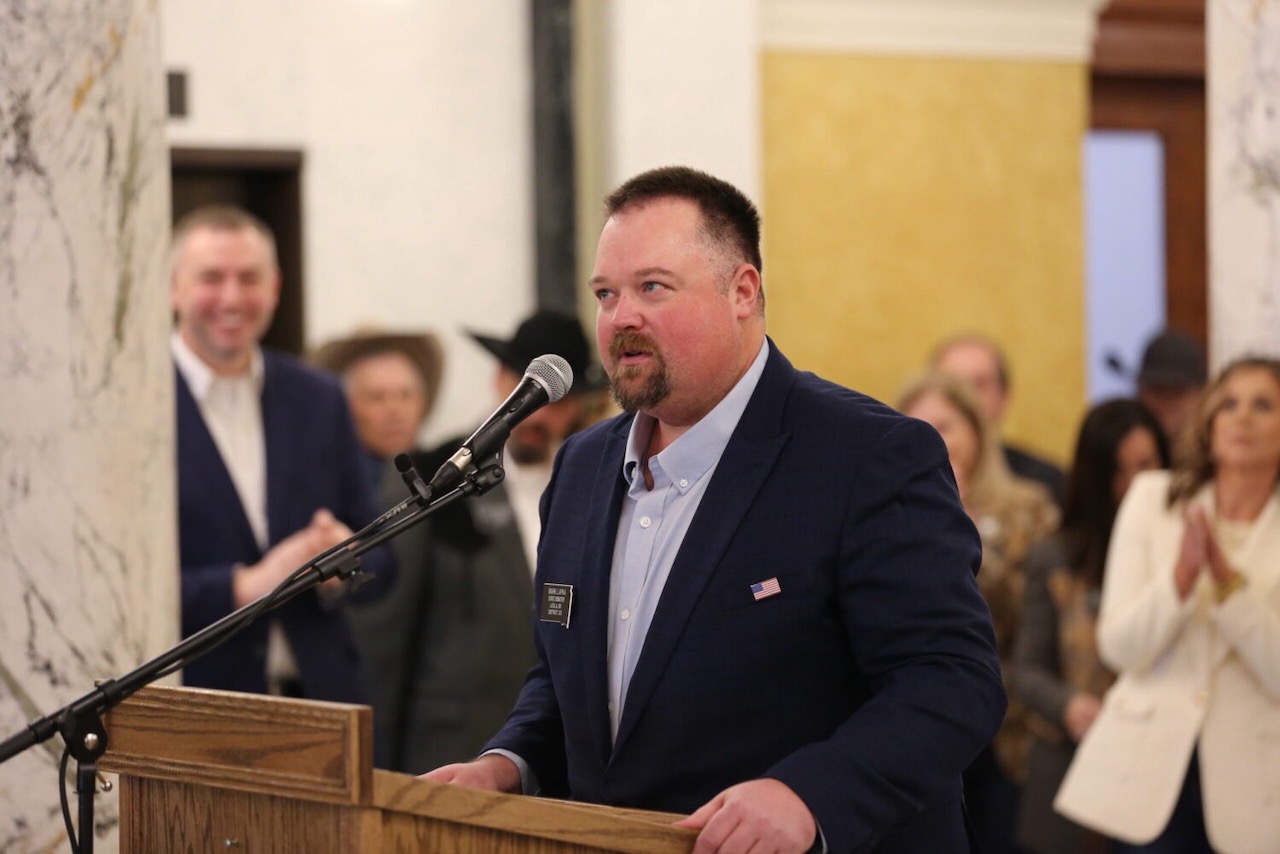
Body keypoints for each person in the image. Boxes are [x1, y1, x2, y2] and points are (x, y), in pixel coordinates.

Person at [422, 166, 1006, 852]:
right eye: (606, 294)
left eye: (653, 288)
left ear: (743, 291)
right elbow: (567, 681)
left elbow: (951, 681)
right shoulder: (580, 470)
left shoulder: (868, 456)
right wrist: (508, 766)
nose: (622, 317)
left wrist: (808, 794)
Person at [1055, 357, 1280, 853]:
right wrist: (1179, 583)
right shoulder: (1152, 500)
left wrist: (1227, 587)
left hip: (1259, 788)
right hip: (1150, 775)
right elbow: (1118, 647)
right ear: (1210, 421)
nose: (1241, 417)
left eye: (1262, 405)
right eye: (1229, 404)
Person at [171, 204, 391, 703]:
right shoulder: (137, 402)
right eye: (211, 277)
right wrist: (243, 585)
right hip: (194, 705)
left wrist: (342, 561)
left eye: (249, 278)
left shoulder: (320, 396)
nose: (231, 297)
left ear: (274, 287)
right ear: (173, 288)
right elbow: (112, 585)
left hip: (322, 697)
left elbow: (383, 554)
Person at [379, 309, 606, 773]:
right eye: (531, 398)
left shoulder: (597, 484)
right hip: (449, 752)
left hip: (554, 762)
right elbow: (387, 635)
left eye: (559, 403)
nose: (542, 417)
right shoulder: (434, 475)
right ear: (503, 381)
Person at [897, 372, 1058, 854]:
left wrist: (957, 528)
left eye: (945, 425)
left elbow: (1023, 617)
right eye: (917, 425)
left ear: (975, 432)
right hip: (919, 722)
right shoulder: (886, 515)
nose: (932, 439)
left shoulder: (1029, 510)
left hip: (1012, 727)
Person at [1011, 399, 1169, 854]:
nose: (1135, 485)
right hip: (1071, 761)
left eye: (1146, 465)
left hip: (1157, 762)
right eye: (1118, 472)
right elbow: (1026, 670)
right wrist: (1070, 705)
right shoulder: (1055, 557)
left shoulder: (1181, 553)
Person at [312, 329, 444, 767]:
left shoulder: (447, 482)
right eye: (377, 397)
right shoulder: (326, 486)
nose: (394, 409)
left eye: (406, 394)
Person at [931, 334, 1067, 504]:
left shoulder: (1043, 483)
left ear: (1003, 396)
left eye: (978, 384)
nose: (966, 398)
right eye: (952, 386)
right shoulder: (902, 480)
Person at [1134, 328, 1207, 449]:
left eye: (1178, 392)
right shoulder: (1127, 452)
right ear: (1140, 392)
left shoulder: (1221, 456)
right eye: (1158, 391)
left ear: (1202, 393)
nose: (1167, 403)